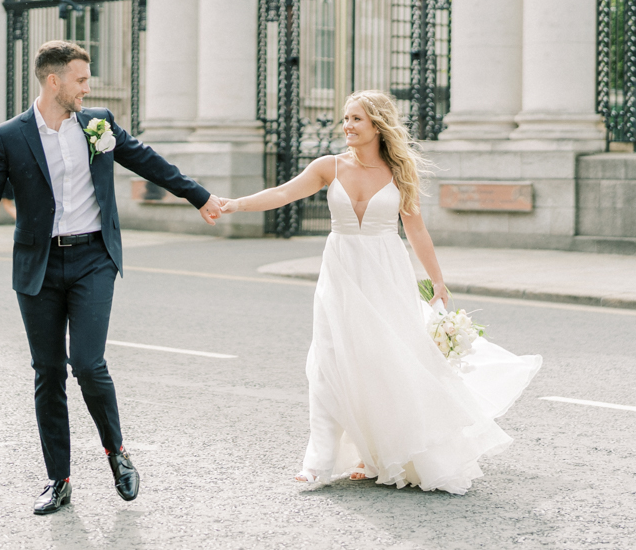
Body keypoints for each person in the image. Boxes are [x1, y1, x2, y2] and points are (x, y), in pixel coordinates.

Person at [219, 90, 541, 493]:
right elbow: (283, 193)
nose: (347, 126)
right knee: (330, 359)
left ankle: (370, 456)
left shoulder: (400, 172)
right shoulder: (328, 166)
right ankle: (318, 463)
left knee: (381, 360)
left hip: (386, 273)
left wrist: (437, 279)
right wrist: (234, 205)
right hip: (339, 272)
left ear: (377, 125)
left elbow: (416, 229)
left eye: (356, 119)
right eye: (346, 119)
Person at [0, 40, 222, 514]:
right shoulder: (10, 136)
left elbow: (147, 160)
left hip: (93, 258)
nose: (88, 86)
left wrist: (197, 195)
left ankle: (116, 451)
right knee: (48, 372)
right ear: (53, 81)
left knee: (88, 363)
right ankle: (59, 479)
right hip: (37, 266)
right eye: (80, 78)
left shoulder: (98, 123)